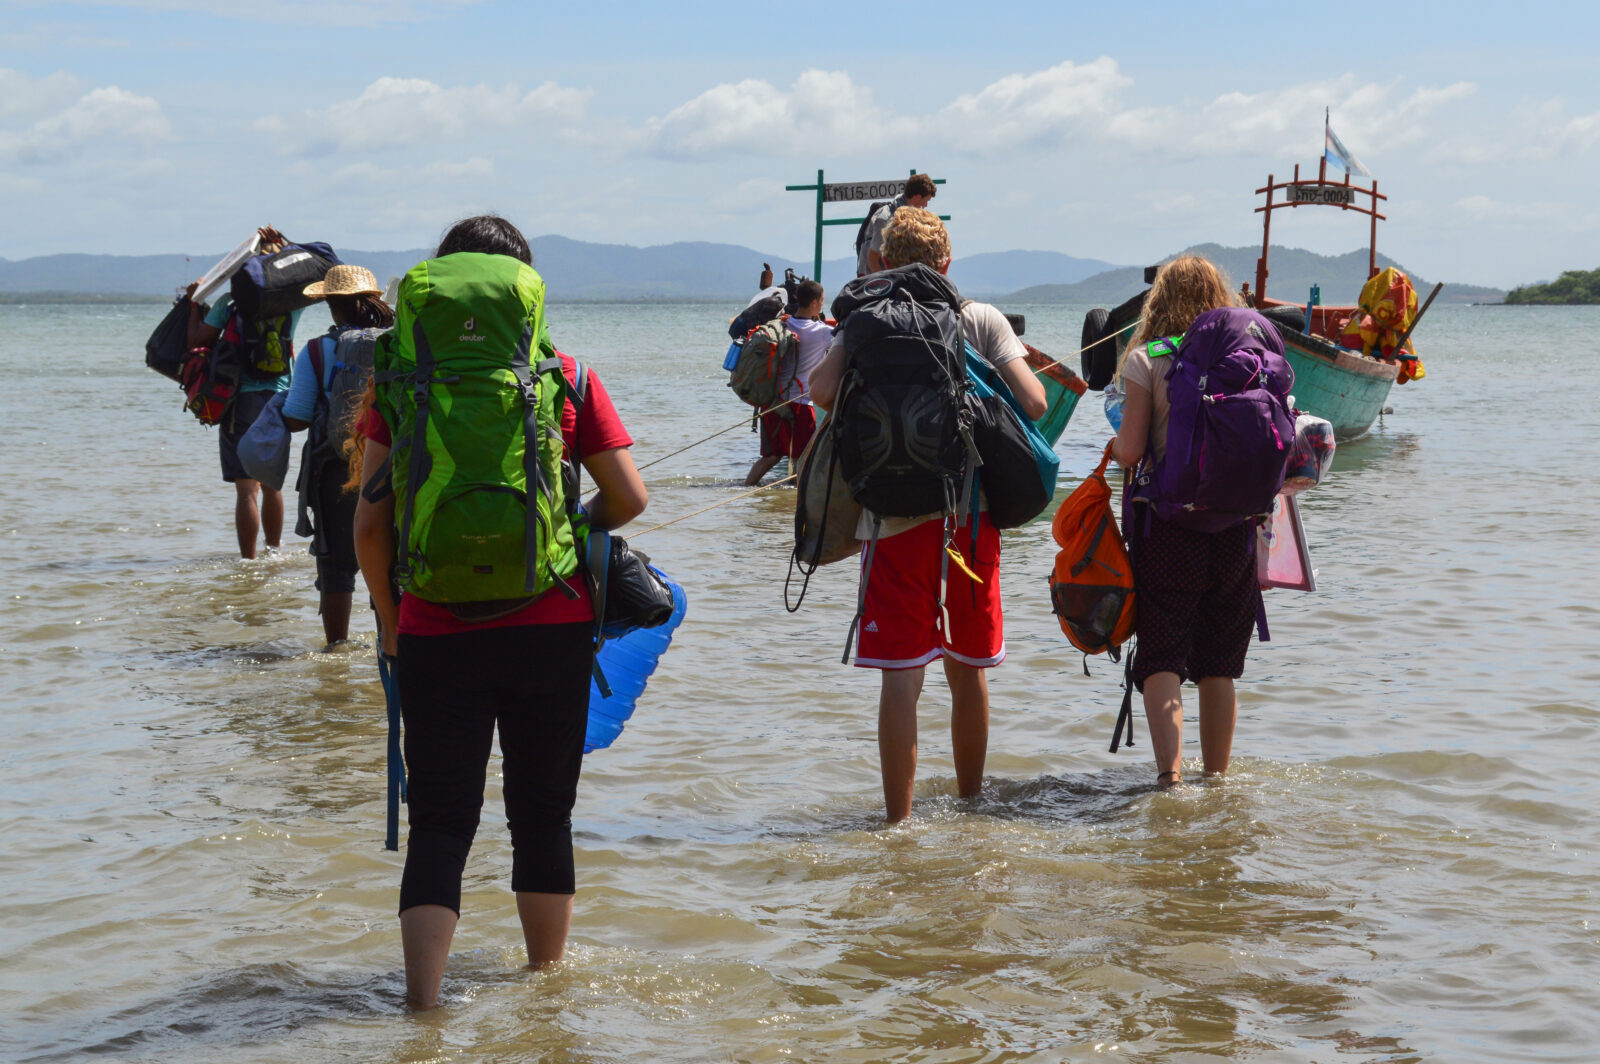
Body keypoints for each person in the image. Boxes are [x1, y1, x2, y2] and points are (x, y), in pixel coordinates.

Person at [350, 214, 648, 1010]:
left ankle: (421, 1011)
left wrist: (387, 618)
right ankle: (546, 997)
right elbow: (629, 498)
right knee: (542, 816)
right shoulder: (568, 378)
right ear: (527, 293)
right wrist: (565, 526)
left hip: (434, 630)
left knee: (441, 824)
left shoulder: (401, 384)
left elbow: (368, 526)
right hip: (549, 624)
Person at [810, 207, 1046, 823]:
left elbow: (820, 391)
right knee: (968, 673)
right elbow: (1036, 402)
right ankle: (970, 808)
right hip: (969, 520)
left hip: (890, 523)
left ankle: (898, 823)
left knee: (900, 676)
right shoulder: (979, 318)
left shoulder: (865, 319)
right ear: (947, 263)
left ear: (882, 262)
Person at [1110, 255, 1252, 788]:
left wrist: (1113, 444)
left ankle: (1170, 780)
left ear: (1159, 301)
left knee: (1163, 651)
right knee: (1220, 660)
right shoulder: (1244, 355)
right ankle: (1217, 780)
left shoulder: (1148, 359)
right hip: (1235, 524)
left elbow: (1130, 451)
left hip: (1168, 526)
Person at [280, 264, 393, 647]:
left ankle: (336, 652)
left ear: (332, 304)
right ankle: (388, 646)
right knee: (391, 565)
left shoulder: (316, 350)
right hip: (390, 469)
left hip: (335, 471)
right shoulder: (398, 345)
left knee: (336, 567)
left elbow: (295, 418)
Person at [185, 225, 304, 559]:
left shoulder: (230, 303)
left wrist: (195, 304)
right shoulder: (290, 305)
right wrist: (285, 243)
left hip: (241, 401)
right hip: (281, 398)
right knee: (272, 485)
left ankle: (249, 561)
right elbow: (307, 270)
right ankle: (275, 553)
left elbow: (197, 343)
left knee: (245, 490)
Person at [745, 278, 830, 486]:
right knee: (803, 457)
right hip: (800, 405)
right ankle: (799, 498)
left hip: (773, 401)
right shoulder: (822, 332)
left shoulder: (782, 323)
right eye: (822, 301)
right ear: (814, 303)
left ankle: (744, 489)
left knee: (772, 456)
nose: (822, 305)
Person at [857, 173, 937, 277]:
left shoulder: (909, 218)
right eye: (926, 201)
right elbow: (872, 258)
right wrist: (887, 284)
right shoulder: (885, 218)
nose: (926, 205)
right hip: (872, 280)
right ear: (917, 197)